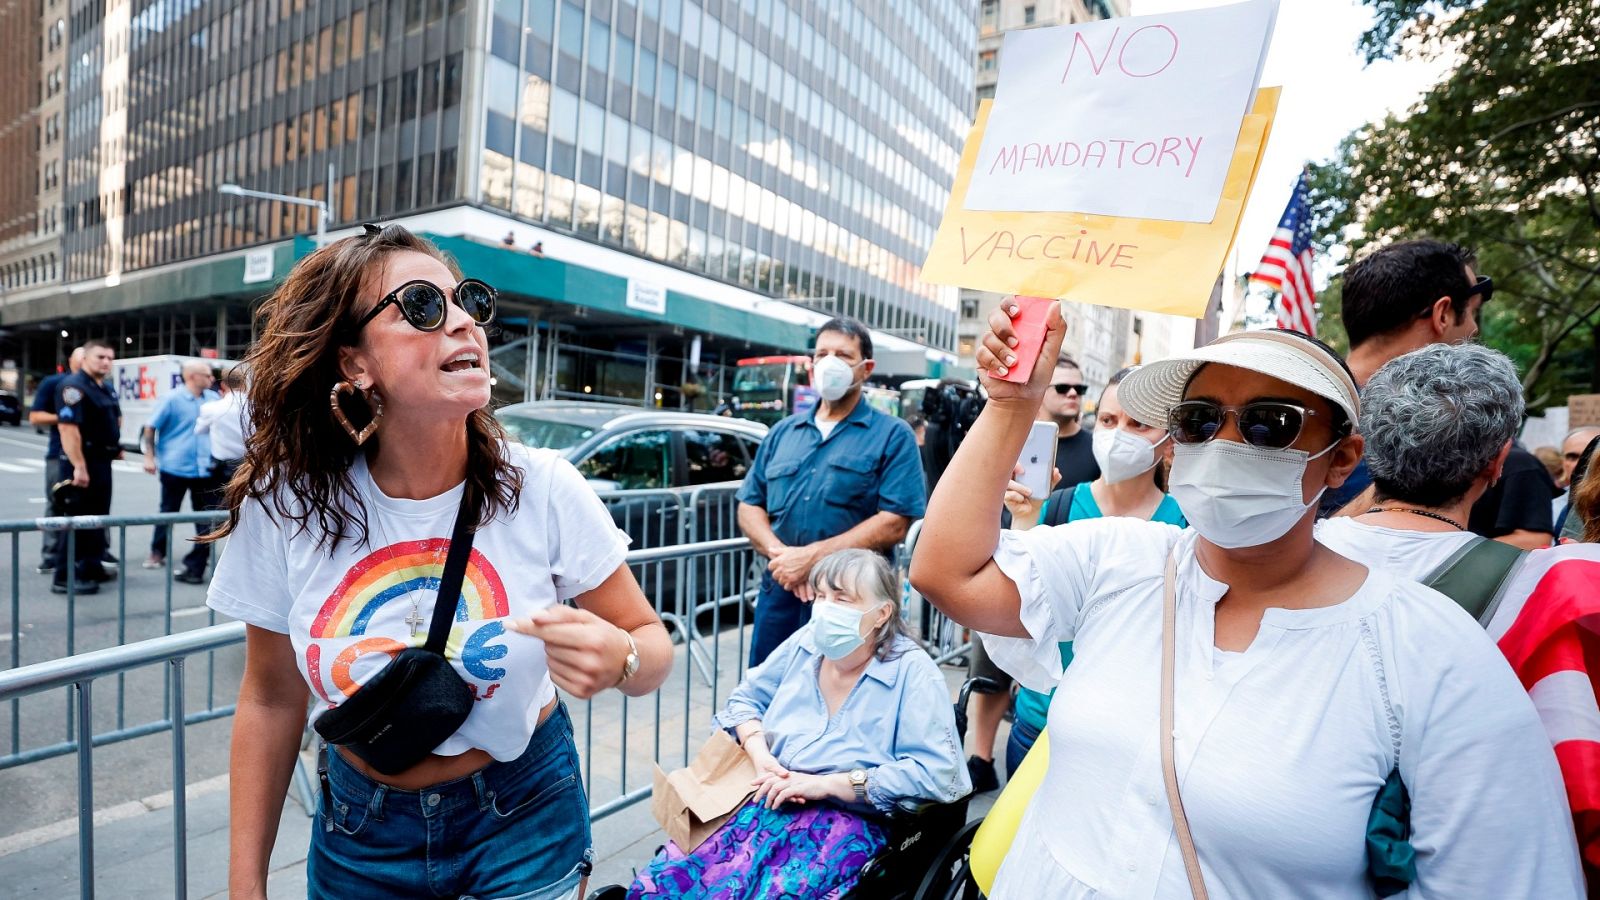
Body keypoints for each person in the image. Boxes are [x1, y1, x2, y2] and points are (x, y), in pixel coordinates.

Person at [911, 303, 1583, 898]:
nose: (1225, 444)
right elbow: (948, 572)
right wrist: (1009, 406)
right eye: (1199, 421)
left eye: (1270, 423)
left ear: (1343, 459)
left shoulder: (1427, 651)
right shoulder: (1118, 560)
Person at [204, 225, 673, 900]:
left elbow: (653, 645)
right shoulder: (287, 502)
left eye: (469, 303)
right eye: (422, 306)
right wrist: (244, 885)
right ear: (354, 362)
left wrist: (623, 657)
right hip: (362, 836)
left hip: (525, 813)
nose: (463, 323)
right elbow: (271, 698)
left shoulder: (541, 486)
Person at [1314, 344, 1600, 886]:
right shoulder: (1539, 590)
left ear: (1369, 447)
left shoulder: (1286, 560)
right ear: (1497, 463)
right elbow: (1574, 779)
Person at [627, 549, 970, 899]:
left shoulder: (913, 672)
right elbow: (743, 701)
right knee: (667, 880)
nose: (825, 607)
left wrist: (828, 785)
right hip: (768, 798)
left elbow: (937, 772)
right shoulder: (807, 642)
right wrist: (760, 753)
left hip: (848, 819)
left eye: (842, 598)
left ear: (882, 613)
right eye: (821, 596)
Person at [995, 365, 1184, 777]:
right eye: (1108, 420)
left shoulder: (1185, 526)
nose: (1118, 435)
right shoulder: (1055, 507)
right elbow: (1018, 600)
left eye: (1139, 425)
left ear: (1170, 441)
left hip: (1127, 736)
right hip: (1039, 721)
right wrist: (1024, 522)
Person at [735, 317, 926, 667]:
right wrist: (785, 560)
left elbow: (895, 521)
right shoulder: (782, 433)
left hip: (853, 601)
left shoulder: (892, 435)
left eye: (842, 354)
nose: (829, 363)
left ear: (866, 368)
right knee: (768, 695)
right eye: (822, 354)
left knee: (848, 697)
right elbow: (749, 504)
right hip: (782, 592)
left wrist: (812, 559)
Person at [1323, 238, 1492, 515]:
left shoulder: (1297, 411)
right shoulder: (1451, 430)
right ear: (1443, 315)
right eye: (1471, 311)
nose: (1473, 329)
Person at [52, 339, 121, 595]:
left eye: (109, 358)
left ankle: (90, 567)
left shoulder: (103, 387)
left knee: (96, 519)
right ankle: (64, 576)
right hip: (82, 461)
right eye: (100, 357)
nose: (105, 362)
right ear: (85, 359)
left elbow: (112, 418)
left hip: (102, 461)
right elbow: (68, 430)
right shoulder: (73, 387)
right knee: (75, 521)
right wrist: (79, 466)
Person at [142, 360, 221, 583]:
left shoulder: (213, 400)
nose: (212, 379)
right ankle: (157, 552)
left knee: (204, 516)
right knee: (168, 511)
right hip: (175, 466)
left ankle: (199, 556)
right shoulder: (171, 399)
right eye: (207, 375)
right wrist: (149, 456)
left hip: (205, 468)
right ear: (192, 377)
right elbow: (151, 427)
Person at [28, 347, 84, 574]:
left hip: (90, 457)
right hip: (58, 454)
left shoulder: (99, 387)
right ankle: (50, 554)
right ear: (71, 360)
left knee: (93, 508)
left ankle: (94, 554)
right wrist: (65, 416)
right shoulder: (55, 383)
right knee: (55, 503)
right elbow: (35, 416)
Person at [1041, 353, 1100, 486]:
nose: (1073, 393)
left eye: (1080, 389)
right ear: (1041, 391)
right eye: (1062, 388)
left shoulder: (1098, 447)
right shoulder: (1018, 443)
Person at [197, 364, 250, 487]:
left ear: (223, 385)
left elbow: (199, 430)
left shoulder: (211, 408)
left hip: (222, 467)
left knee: (221, 503)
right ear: (244, 384)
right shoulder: (258, 407)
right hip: (250, 464)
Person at [1554, 426, 1600, 525]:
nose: (1580, 464)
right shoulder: (1550, 510)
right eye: (1572, 457)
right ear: (1562, 461)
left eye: (1590, 456)